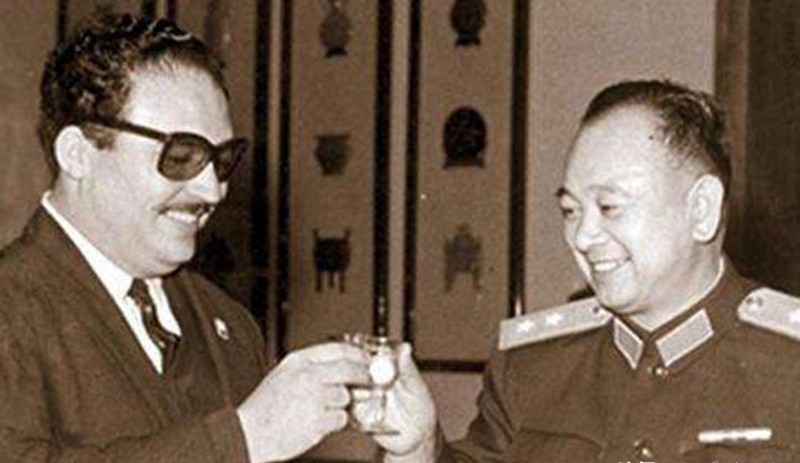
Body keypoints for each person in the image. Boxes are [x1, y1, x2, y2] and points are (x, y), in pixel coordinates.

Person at [0, 13, 369, 462]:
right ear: (78, 154)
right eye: (181, 156)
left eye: (223, 160)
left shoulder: (230, 324)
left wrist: (411, 452)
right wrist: (242, 440)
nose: (213, 191)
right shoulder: (11, 308)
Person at [376, 80, 800, 462]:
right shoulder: (531, 368)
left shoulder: (789, 365)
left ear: (701, 209)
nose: (581, 236)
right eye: (571, 210)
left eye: (609, 207)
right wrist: (418, 451)